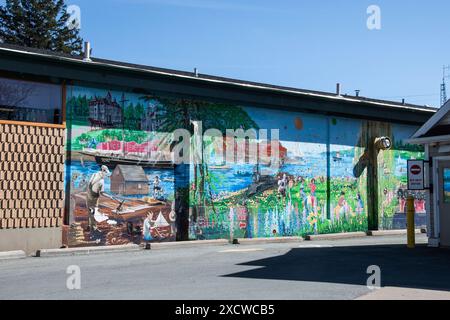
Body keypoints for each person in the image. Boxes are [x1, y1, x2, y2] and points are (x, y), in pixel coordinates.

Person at [86, 165, 110, 233]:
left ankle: (89, 226)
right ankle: (94, 228)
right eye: (106, 174)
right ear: (103, 171)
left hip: (88, 195)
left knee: (90, 211)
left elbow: (89, 184)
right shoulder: (102, 181)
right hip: (94, 197)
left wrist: (89, 194)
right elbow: (102, 193)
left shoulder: (94, 174)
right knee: (94, 212)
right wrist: (109, 196)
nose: (106, 176)